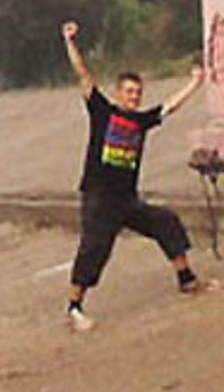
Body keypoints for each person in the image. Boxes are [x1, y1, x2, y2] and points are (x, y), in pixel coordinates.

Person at [60, 20, 206, 329]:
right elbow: (83, 76)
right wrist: (70, 42)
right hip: (99, 195)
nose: (134, 97)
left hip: (127, 198)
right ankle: (74, 307)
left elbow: (169, 107)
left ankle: (187, 279)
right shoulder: (102, 111)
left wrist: (195, 83)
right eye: (129, 92)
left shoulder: (141, 121)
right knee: (95, 248)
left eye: (138, 92)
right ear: (118, 92)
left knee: (165, 221)